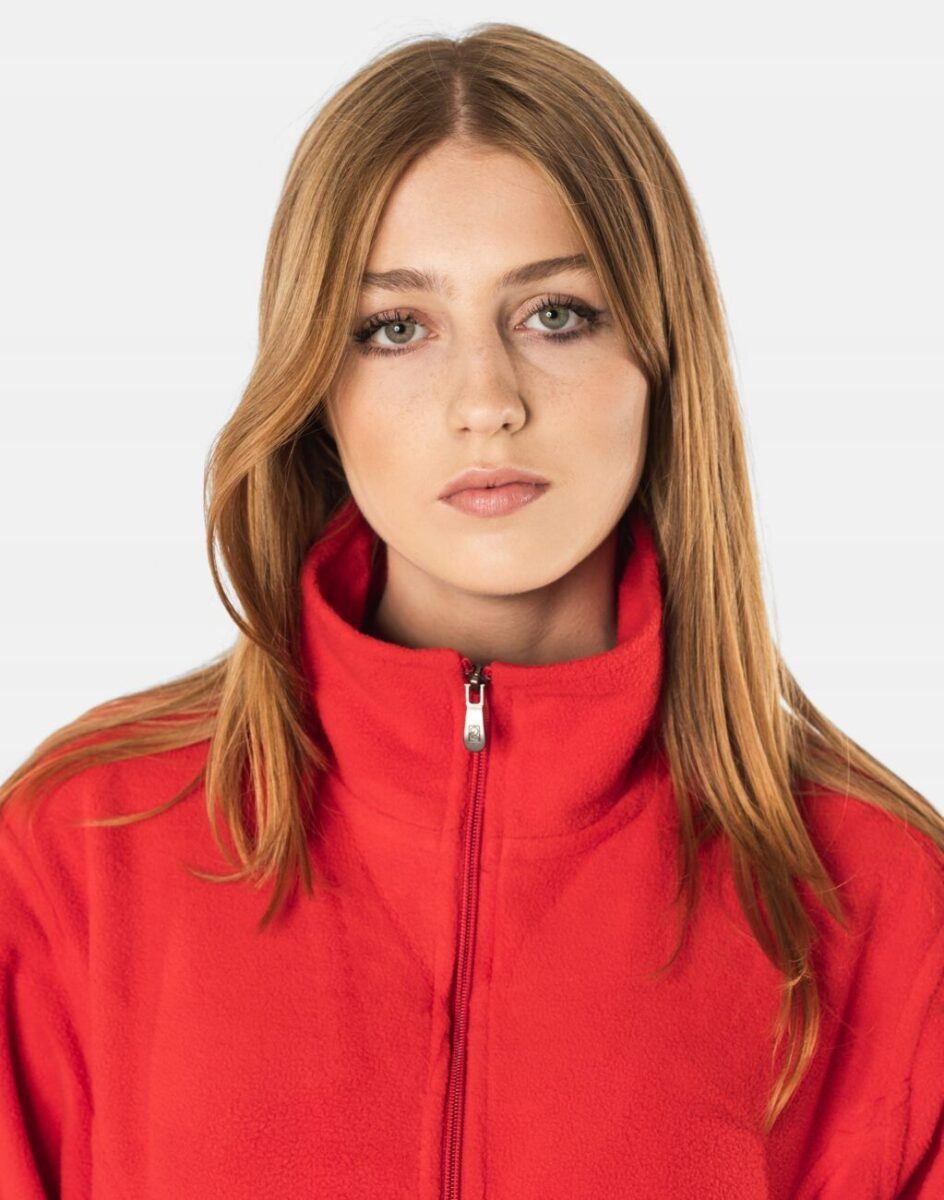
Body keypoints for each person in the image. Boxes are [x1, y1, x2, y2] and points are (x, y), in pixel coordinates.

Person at [1, 21, 941, 1200]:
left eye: (555, 314)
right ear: (315, 384)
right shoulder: (84, 846)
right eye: (396, 328)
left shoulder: (877, 898)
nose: (484, 400)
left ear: (658, 360)